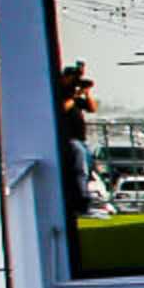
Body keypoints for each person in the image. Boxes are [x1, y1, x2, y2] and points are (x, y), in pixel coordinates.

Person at [55, 62, 100, 221]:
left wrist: (86, 93)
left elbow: (92, 108)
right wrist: (74, 95)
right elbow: (61, 109)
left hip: (81, 140)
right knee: (80, 172)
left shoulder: (74, 96)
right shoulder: (60, 94)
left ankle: (84, 203)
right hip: (70, 140)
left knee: (87, 171)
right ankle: (81, 205)